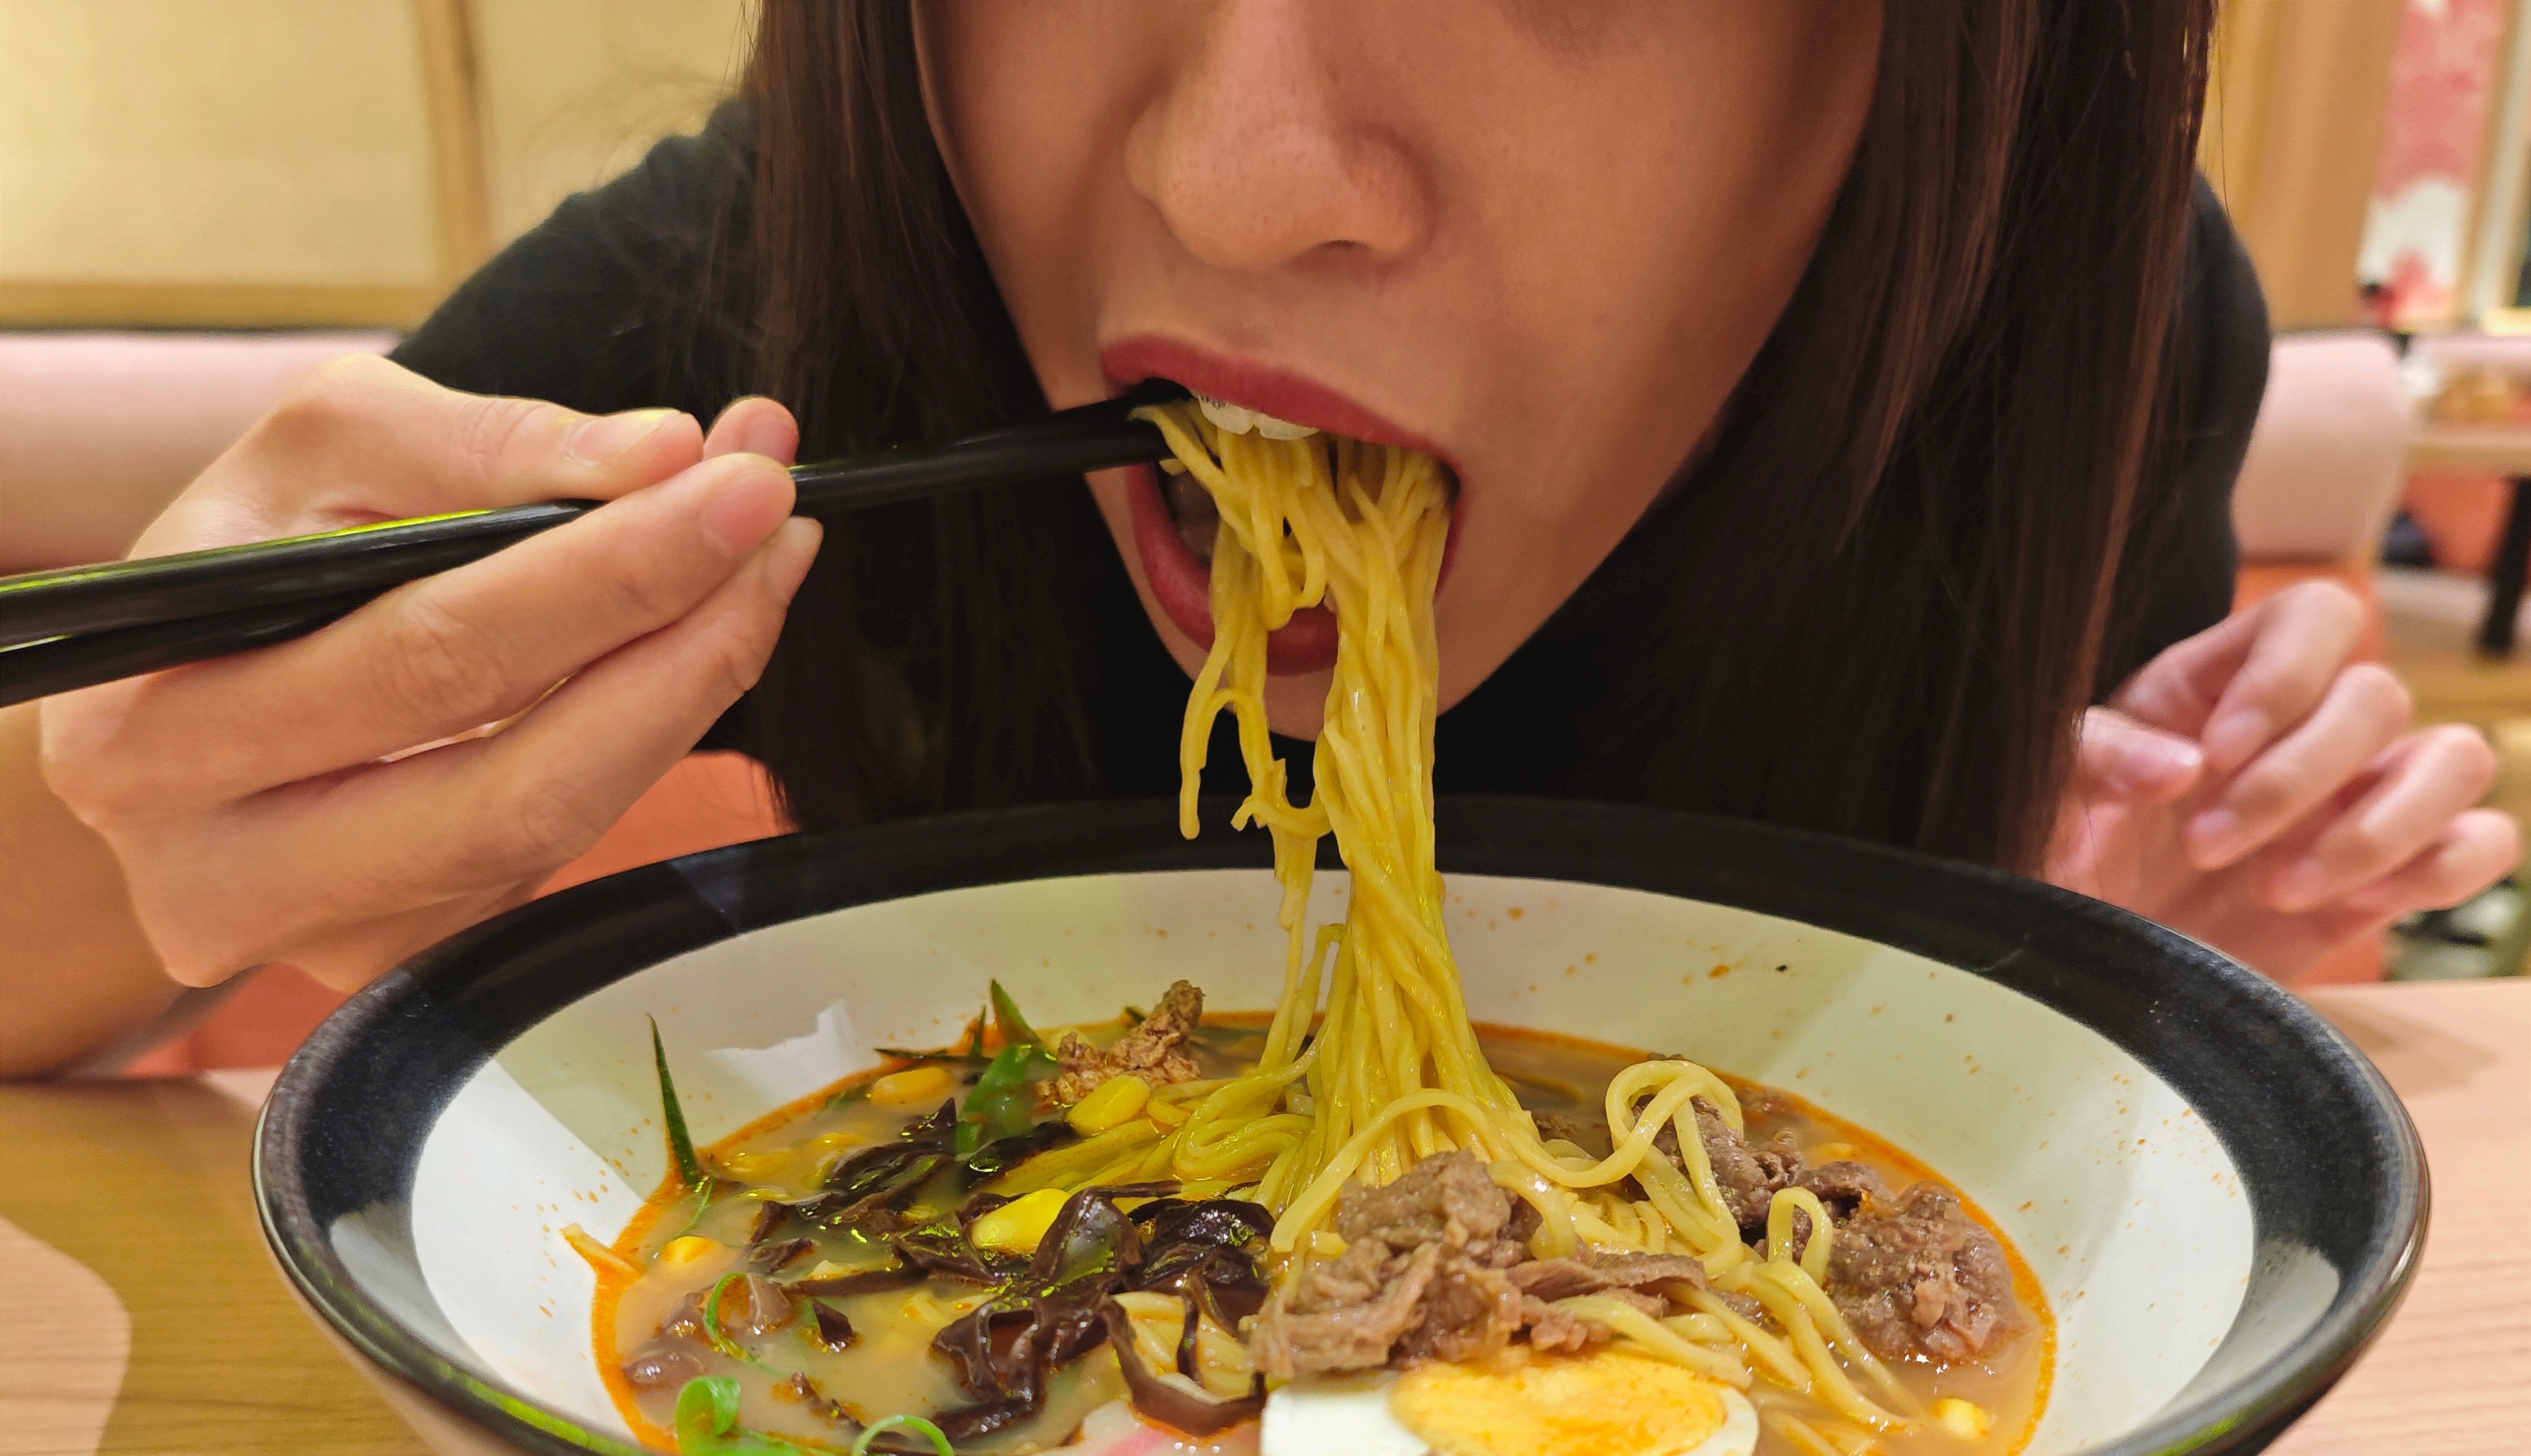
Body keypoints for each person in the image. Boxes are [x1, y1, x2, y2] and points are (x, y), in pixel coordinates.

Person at [2, 1, 2515, 1077]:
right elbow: (85, 860)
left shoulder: (2056, 329)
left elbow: (2039, 1000)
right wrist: (159, 819)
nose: (1232, 168)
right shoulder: (800, 282)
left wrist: (2158, 929)